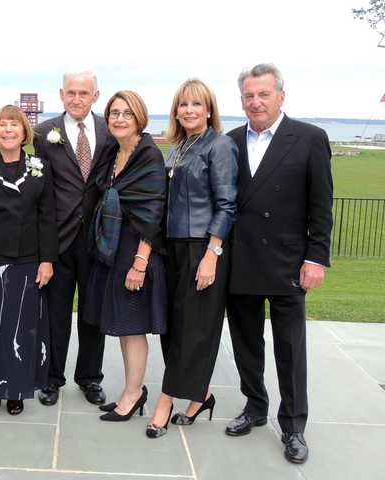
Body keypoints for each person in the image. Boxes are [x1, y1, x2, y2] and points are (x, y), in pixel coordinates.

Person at [225, 64, 333, 464]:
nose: (256, 102)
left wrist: (316, 258)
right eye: (249, 96)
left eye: (263, 94)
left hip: (289, 263)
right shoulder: (231, 140)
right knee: (246, 343)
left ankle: (293, 426)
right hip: (241, 260)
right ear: (242, 101)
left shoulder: (309, 139)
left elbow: (322, 205)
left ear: (280, 97)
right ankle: (255, 407)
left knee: (291, 349)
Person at [147, 79, 238, 438]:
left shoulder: (220, 146)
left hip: (203, 246)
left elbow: (228, 204)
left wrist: (212, 255)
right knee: (174, 327)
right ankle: (200, 395)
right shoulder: (181, 147)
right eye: (183, 105)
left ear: (209, 109)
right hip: (174, 248)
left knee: (193, 330)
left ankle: (165, 402)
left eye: (196, 105)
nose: (188, 110)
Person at [82, 90, 167, 422]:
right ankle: (133, 390)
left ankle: (134, 393)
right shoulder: (114, 153)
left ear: (139, 118)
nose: (119, 119)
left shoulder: (148, 156)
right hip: (113, 250)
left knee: (133, 327)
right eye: (114, 113)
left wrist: (140, 263)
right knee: (122, 324)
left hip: (136, 251)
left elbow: (154, 211)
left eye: (126, 114)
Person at [0, 105, 58, 415]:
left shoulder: (40, 168)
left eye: (14, 125)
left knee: (22, 329)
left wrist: (47, 260)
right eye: (2, 125)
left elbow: (47, 218)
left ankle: (17, 389)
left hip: (28, 261)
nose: (8, 130)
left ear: (24, 132)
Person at [32, 71, 111, 406]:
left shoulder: (111, 131)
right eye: (71, 93)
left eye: (84, 93)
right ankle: (52, 378)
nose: (77, 99)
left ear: (96, 95)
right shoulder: (42, 133)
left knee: (93, 314)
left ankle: (90, 377)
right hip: (58, 238)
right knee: (55, 313)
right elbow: (39, 189)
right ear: (61, 94)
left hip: (98, 239)